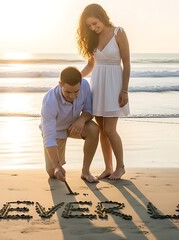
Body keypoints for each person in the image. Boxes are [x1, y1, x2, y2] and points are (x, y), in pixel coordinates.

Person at [77, 3, 130, 180]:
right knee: (101, 129)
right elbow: (91, 65)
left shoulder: (118, 33)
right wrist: (77, 77)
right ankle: (108, 167)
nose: (93, 27)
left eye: (95, 23)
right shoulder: (92, 38)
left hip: (114, 84)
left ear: (101, 16)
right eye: (89, 26)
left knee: (110, 129)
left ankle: (120, 167)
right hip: (98, 84)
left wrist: (124, 90)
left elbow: (127, 63)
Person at [40, 66, 99, 183]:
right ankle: (56, 167)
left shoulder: (85, 86)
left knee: (93, 129)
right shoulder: (49, 101)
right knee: (53, 173)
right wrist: (57, 166)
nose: (72, 96)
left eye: (76, 92)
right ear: (60, 84)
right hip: (56, 131)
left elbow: (89, 111)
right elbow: (48, 137)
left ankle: (85, 171)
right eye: (68, 92)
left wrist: (82, 119)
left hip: (74, 126)